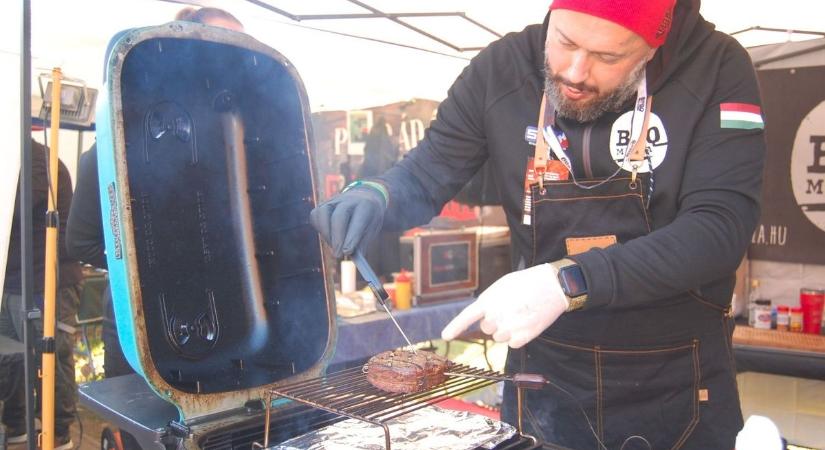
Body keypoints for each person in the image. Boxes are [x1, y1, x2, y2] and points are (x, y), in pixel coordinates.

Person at [310, 0, 766, 448]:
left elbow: (718, 229)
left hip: (675, 387)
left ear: (654, 44)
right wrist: (378, 195)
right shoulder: (502, 69)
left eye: (608, 57)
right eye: (564, 41)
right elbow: (428, 172)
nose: (574, 71)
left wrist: (568, 281)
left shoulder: (716, 68)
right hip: (545, 381)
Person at [66, 7, 245, 380]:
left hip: (219, 315)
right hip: (138, 321)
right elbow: (80, 242)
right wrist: (143, 263)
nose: (234, 56)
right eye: (221, 44)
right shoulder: (105, 154)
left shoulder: (231, 141)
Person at [2, 139, 84, 450]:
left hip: (46, 281)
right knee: (12, 358)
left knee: (51, 357)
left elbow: (13, 207)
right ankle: (17, 425)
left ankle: (58, 434)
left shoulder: (36, 160)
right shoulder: (18, 158)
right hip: (14, 280)